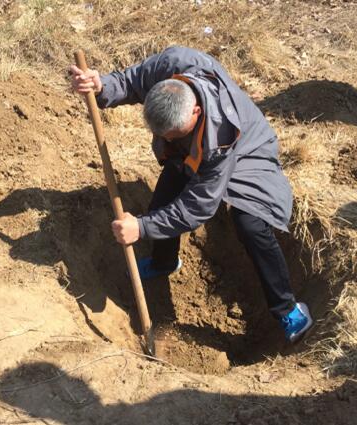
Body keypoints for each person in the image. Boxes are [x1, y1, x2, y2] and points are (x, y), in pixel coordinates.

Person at [70, 46, 312, 342]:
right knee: (162, 201)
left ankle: (286, 309)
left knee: (251, 224)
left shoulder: (221, 135)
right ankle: (164, 262)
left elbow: (198, 206)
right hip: (198, 148)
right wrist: (101, 85)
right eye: (165, 136)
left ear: (195, 112)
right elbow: (132, 81)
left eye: (175, 134)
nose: (168, 140)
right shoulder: (174, 65)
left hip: (249, 151)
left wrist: (142, 227)